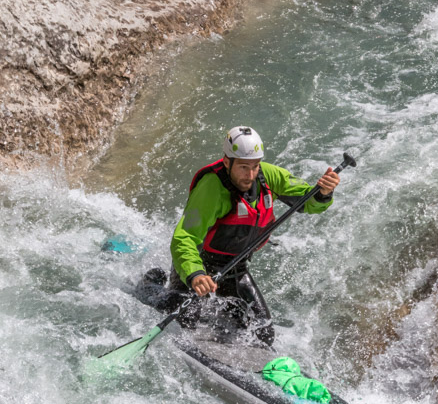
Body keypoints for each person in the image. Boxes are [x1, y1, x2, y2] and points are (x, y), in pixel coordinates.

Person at [135, 126, 340, 345]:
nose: (250, 175)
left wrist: (324, 193)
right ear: (227, 162)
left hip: (235, 270)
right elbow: (184, 238)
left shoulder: (268, 176)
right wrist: (195, 275)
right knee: (188, 317)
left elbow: (307, 200)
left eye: (254, 166)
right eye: (243, 167)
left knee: (263, 333)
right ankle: (149, 287)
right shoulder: (211, 188)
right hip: (200, 268)